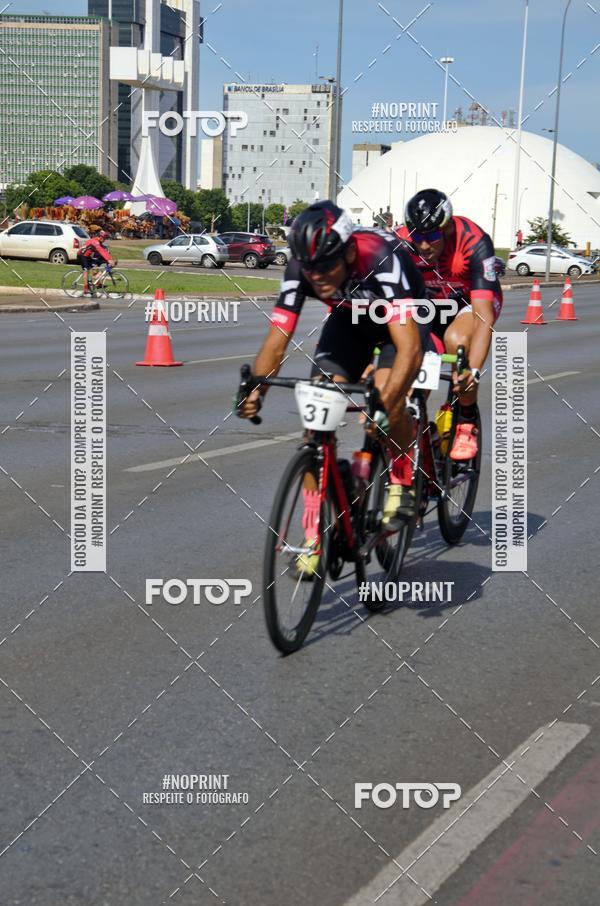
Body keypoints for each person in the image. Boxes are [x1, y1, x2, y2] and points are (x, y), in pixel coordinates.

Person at [237, 200, 431, 576]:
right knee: (317, 421)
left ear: (348, 250)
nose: (318, 276)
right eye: (310, 269)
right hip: (348, 322)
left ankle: (402, 480)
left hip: (399, 323)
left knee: (387, 404)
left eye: (326, 266)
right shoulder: (302, 266)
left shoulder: (380, 257)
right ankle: (314, 538)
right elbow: (278, 336)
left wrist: (386, 402)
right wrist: (255, 390)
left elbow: (409, 349)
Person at [396, 189, 503, 460]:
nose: (424, 246)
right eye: (417, 237)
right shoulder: (400, 242)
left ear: (446, 228)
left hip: (471, 303)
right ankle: (424, 431)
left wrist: (474, 371)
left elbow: (483, 317)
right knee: (413, 363)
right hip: (430, 306)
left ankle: (466, 420)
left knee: (457, 340)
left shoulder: (473, 240)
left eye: (432, 237)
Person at [79, 231, 114, 295]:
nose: (105, 240)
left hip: (87, 256)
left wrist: (110, 259)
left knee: (94, 267)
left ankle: (98, 284)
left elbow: (105, 251)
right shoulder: (95, 241)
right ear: (100, 237)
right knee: (86, 270)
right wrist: (109, 260)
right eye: (104, 238)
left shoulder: (99, 242)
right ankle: (86, 289)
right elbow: (101, 251)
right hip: (82, 255)